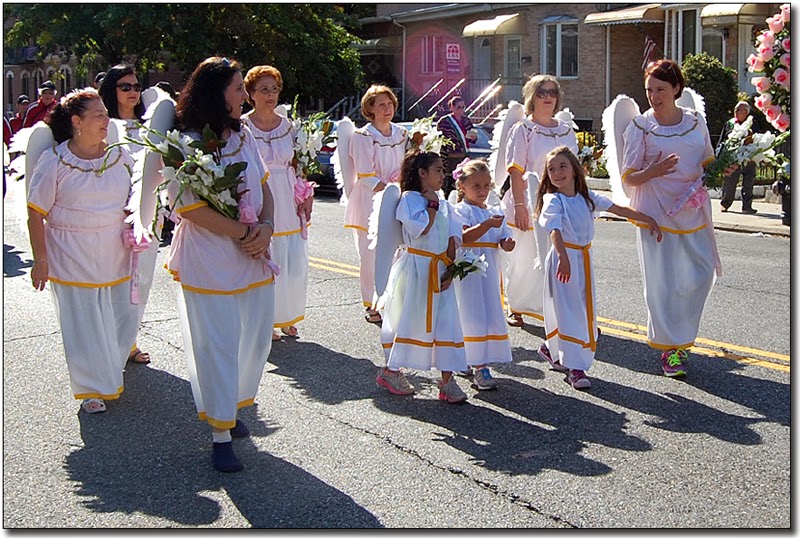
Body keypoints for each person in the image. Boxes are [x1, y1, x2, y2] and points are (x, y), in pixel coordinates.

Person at [168, 56, 276, 472]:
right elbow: (187, 205)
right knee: (218, 345)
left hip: (251, 252)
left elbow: (264, 186)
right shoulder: (186, 142)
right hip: (210, 259)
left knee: (253, 337)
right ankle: (219, 433)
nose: (244, 96)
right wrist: (242, 234)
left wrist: (265, 227)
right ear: (216, 93)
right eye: (236, 89)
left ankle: (230, 408)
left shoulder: (243, 132)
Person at [26, 89, 139, 414]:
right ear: (77, 121)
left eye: (106, 114)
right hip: (71, 252)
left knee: (118, 316)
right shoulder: (56, 160)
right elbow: (36, 211)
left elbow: (137, 195)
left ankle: (107, 372)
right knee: (82, 320)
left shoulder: (119, 155)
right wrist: (41, 259)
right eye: (99, 115)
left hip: (115, 251)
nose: (107, 120)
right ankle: (90, 386)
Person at [621, 59, 721, 378]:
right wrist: (651, 172)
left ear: (677, 89)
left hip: (692, 206)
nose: (654, 96)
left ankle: (681, 336)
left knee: (702, 273)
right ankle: (670, 350)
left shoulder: (695, 121)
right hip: (654, 210)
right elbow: (629, 178)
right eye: (649, 90)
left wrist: (723, 169)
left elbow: (708, 162)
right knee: (662, 284)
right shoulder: (639, 126)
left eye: (661, 89)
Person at [535, 146, 662, 389]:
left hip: (583, 259)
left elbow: (619, 209)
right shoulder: (553, 199)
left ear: (574, 170)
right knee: (570, 310)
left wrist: (648, 220)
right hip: (564, 260)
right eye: (551, 169)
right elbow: (554, 229)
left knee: (583, 309)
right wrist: (562, 256)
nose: (557, 172)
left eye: (562, 166)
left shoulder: (587, 197)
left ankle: (552, 349)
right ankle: (576, 368)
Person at [378, 149, 469, 403]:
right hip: (416, 270)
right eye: (438, 169)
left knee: (447, 322)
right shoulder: (409, 200)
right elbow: (420, 229)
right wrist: (431, 204)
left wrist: (450, 267)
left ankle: (448, 381)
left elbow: (453, 237)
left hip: (438, 269)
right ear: (422, 173)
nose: (444, 174)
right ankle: (392, 370)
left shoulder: (444, 202)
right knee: (410, 319)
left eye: (443, 169)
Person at [502, 75, 578, 360]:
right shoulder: (523, 129)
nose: (548, 97)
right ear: (531, 97)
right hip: (528, 201)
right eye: (542, 92)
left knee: (553, 259)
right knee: (524, 259)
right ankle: (517, 306)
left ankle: (553, 311)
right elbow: (516, 170)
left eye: (552, 92)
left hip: (558, 204)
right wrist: (521, 205)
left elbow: (573, 169)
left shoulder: (566, 129)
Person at [242, 65, 312, 341]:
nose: (270, 95)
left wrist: (306, 196)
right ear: (251, 94)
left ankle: (286, 316)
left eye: (274, 89)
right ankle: (266, 319)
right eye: (263, 89)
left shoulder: (289, 126)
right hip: (259, 193)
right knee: (265, 256)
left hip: (287, 193)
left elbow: (299, 165)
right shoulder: (242, 125)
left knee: (291, 259)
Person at [98, 64, 154, 365]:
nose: (132, 92)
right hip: (113, 217)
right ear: (112, 90)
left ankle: (129, 339)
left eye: (135, 86)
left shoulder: (151, 125)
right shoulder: (103, 125)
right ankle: (110, 345)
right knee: (116, 281)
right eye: (125, 86)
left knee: (141, 280)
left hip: (146, 215)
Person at [451, 158, 515, 391]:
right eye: (476, 186)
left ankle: (474, 357)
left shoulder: (495, 211)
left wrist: (507, 242)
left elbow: (503, 236)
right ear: (463, 187)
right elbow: (465, 237)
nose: (482, 191)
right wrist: (488, 225)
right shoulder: (461, 210)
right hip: (469, 272)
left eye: (486, 185)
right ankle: (479, 366)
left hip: (489, 274)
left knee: (488, 314)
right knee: (471, 314)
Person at [347, 84, 408, 324]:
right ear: (370, 108)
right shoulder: (363, 136)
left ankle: (393, 300)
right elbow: (365, 173)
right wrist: (388, 189)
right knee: (371, 254)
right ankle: (372, 303)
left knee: (397, 251)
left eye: (390, 103)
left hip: (397, 196)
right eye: (381, 104)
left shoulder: (401, 134)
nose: (387, 108)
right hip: (371, 199)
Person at [718, 101, 758, 214]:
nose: (735, 112)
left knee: (748, 184)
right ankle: (725, 204)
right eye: (735, 110)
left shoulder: (753, 124)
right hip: (733, 159)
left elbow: (758, 139)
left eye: (737, 110)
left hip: (749, 159)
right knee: (729, 183)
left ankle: (747, 207)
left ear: (745, 112)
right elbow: (722, 140)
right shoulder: (730, 123)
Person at [437, 95, 477, 197]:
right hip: (450, 157)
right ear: (452, 107)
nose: (461, 110)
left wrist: (472, 137)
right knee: (450, 183)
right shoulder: (444, 121)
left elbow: (472, 137)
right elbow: (440, 139)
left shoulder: (466, 121)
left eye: (463, 107)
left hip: (464, 156)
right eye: (458, 107)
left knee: (464, 180)